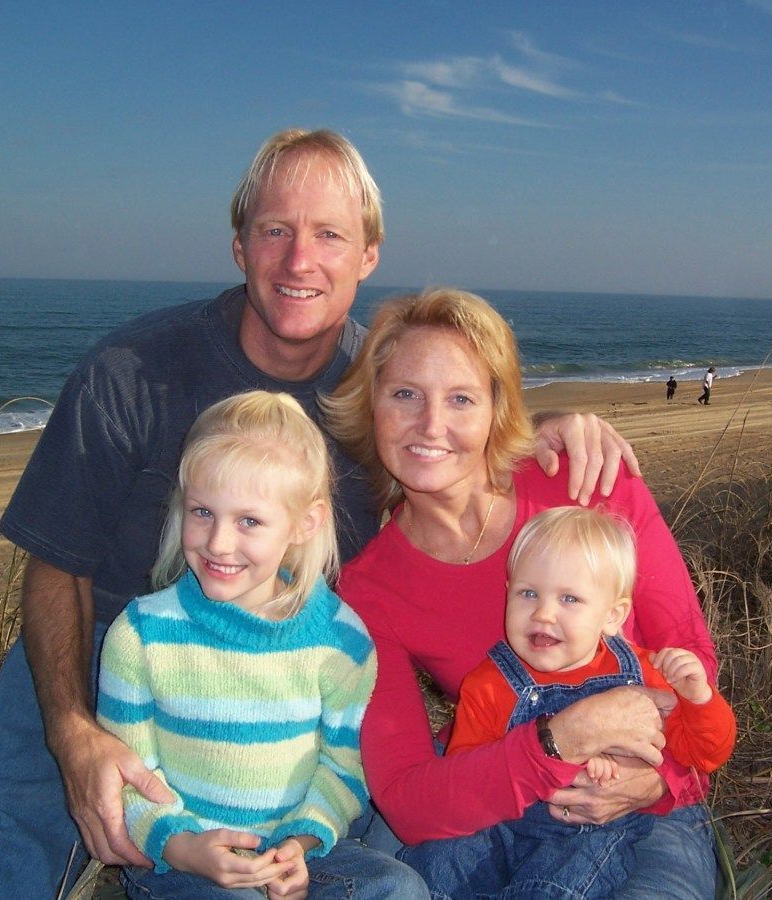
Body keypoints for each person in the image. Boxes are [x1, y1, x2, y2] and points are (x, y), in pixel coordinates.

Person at [0, 129, 636, 898]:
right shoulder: (132, 372)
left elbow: (450, 443)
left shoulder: (379, 395)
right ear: (239, 246)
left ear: (369, 255)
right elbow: (57, 566)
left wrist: (542, 431)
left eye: (329, 235)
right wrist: (73, 734)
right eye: (275, 231)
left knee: (354, 863)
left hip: (283, 675)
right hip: (109, 646)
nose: (299, 260)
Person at [325, 288, 725, 899]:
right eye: (405, 394)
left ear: (496, 409)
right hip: (497, 809)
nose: (432, 425)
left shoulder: (588, 484)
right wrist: (561, 738)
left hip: (644, 815)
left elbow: (691, 655)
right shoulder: (369, 589)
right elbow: (407, 797)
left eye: (461, 398)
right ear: (371, 406)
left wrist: (661, 778)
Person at [97, 391, 423, 898]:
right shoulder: (140, 635)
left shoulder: (341, 642)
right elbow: (129, 776)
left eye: (249, 521)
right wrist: (183, 847)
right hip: (182, 861)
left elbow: (343, 767)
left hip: (297, 852)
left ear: (304, 523)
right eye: (202, 512)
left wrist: (302, 842)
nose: (219, 543)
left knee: (399, 888)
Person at [398, 507, 736, 897]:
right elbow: (470, 773)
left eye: (570, 599)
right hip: (503, 823)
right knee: (438, 864)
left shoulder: (645, 675)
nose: (543, 613)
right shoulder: (491, 683)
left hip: (588, 830)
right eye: (528, 593)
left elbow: (705, 753)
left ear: (613, 615)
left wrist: (698, 700)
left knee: (554, 887)